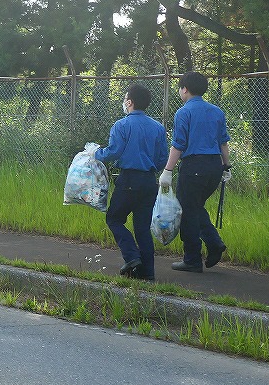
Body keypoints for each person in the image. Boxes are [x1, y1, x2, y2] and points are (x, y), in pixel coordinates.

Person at [92, 84, 169, 281]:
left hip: (128, 180)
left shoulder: (122, 125)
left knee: (114, 218)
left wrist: (96, 153)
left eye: (125, 98)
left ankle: (132, 257)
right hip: (149, 181)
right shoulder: (158, 128)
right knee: (142, 227)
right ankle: (148, 272)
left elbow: (114, 151)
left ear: (129, 102)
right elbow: (162, 159)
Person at [160, 71, 230, 273]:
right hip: (214, 167)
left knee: (188, 212)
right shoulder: (216, 111)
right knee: (195, 207)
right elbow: (223, 141)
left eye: (180, 88)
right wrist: (226, 166)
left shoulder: (184, 112)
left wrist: (167, 170)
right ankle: (213, 243)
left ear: (185, 89)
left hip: (194, 167)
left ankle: (192, 259)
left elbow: (178, 145)